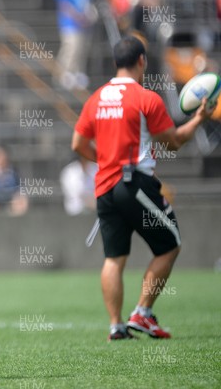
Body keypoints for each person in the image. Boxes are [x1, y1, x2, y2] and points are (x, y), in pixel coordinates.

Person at [71, 36, 217, 341]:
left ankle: (116, 326)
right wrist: (200, 118)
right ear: (142, 62)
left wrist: (106, 161)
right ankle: (142, 312)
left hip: (105, 188)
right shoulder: (145, 98)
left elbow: (78, 144)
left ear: (115, 63)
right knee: (171, 244)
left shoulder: (96, 98)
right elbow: (173, 142)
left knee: (114, 258)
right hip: (134, 183)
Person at [54, 0, 97, 90]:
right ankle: (64, 73)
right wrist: (78, 17)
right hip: (70, 24)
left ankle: (78, 73)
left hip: (85, 26)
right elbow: (64, 6)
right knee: (71, 49)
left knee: (82, 50)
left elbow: (87, 4)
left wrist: (89, 15)